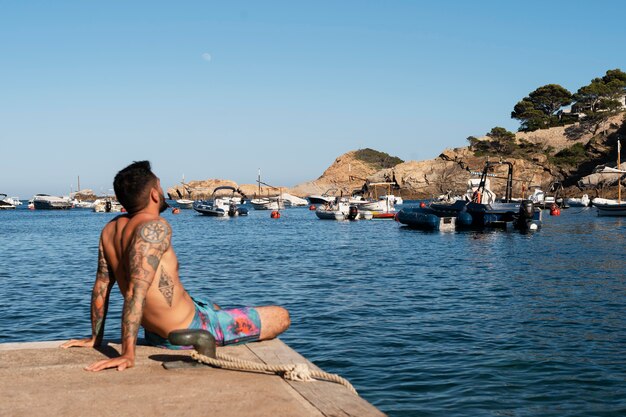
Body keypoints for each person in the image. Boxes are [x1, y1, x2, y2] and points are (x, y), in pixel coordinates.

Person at [61, 161, 290, 371]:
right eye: (160, 188)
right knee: (281, 316)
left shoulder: (110, 229)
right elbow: (134, 292)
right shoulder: (154, 228)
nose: (162, 193)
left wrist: (95, 337)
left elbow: (102, 285)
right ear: (153, 193)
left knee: (212, 305)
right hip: (187, 330)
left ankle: (211, 315)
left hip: (155, 330)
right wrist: (128, 354)